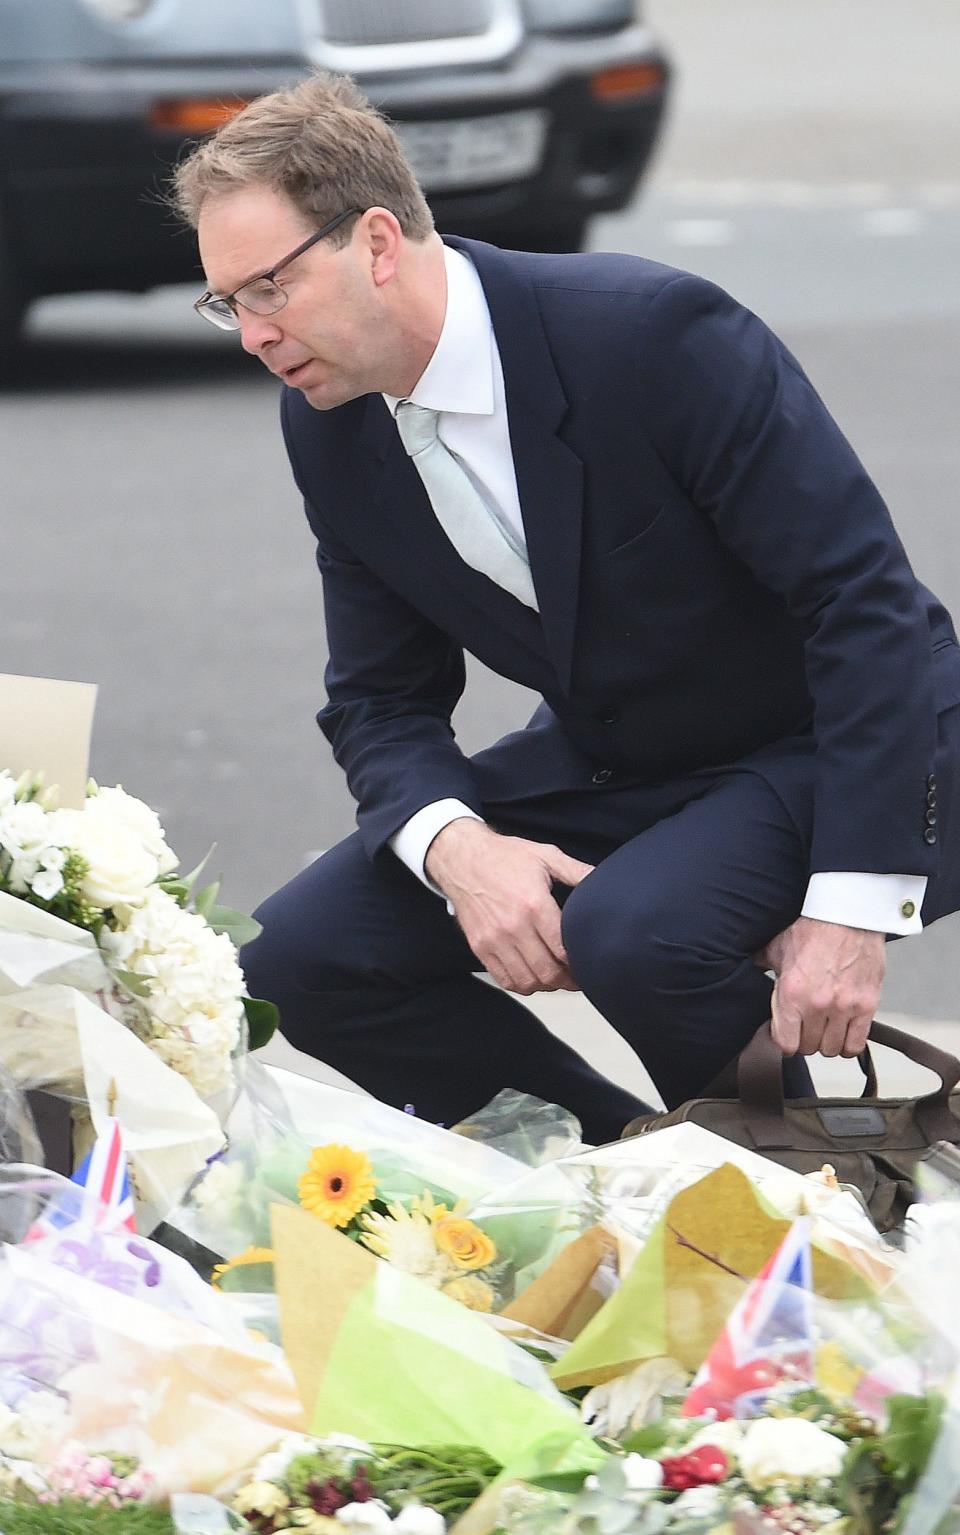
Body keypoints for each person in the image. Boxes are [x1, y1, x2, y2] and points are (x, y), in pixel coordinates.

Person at [172, 73, 960, 1144]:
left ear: (375, 241)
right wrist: (460, 847)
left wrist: (850, 908)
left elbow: (862, 608)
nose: (252, 334)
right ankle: (625, 1174)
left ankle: (812, 1215)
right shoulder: (331, 420)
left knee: (641, 933)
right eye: (228, 302)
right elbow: (378, 700)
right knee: (304, 959)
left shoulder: (651, 334)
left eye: (268, 287)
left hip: (851, 738)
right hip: (631, 759)